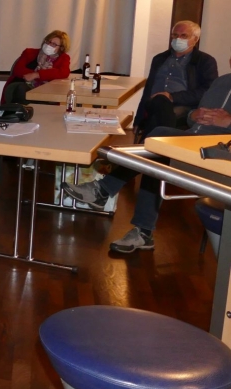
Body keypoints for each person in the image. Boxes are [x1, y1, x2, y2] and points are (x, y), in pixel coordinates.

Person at [63, 47, 231, 253]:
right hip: (192, 140)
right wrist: (193, 116)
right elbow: (193, 117)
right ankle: (140, 230)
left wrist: (228, 122)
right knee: (156, 150)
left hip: (220, 153)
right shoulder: (221, 82)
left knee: (158, 143)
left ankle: (104, 192)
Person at [134, 20, 217, 136]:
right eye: (175, 35)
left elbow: (208, 91)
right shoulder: (159, 59)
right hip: (153, 103)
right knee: (159, 101)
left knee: (158, 112)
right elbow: (148, 89)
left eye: (184, 36)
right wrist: (138, 120)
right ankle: (165, 140)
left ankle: (147, 141)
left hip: (184, 105)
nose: (178, 39)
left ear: (195, 39)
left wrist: (172, 97)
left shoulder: (205, 61)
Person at [0, 30, 72, 104]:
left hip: (48, 90)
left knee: (50, 99)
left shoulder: (63, 58)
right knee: (22, 90)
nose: (49, 45)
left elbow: (63, 72)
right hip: (26, 85)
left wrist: (37, 75)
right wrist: (47, 75)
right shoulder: (29, 52)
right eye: (48, 41)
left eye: (54, 44)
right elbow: (17, 70)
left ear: (61, 48)